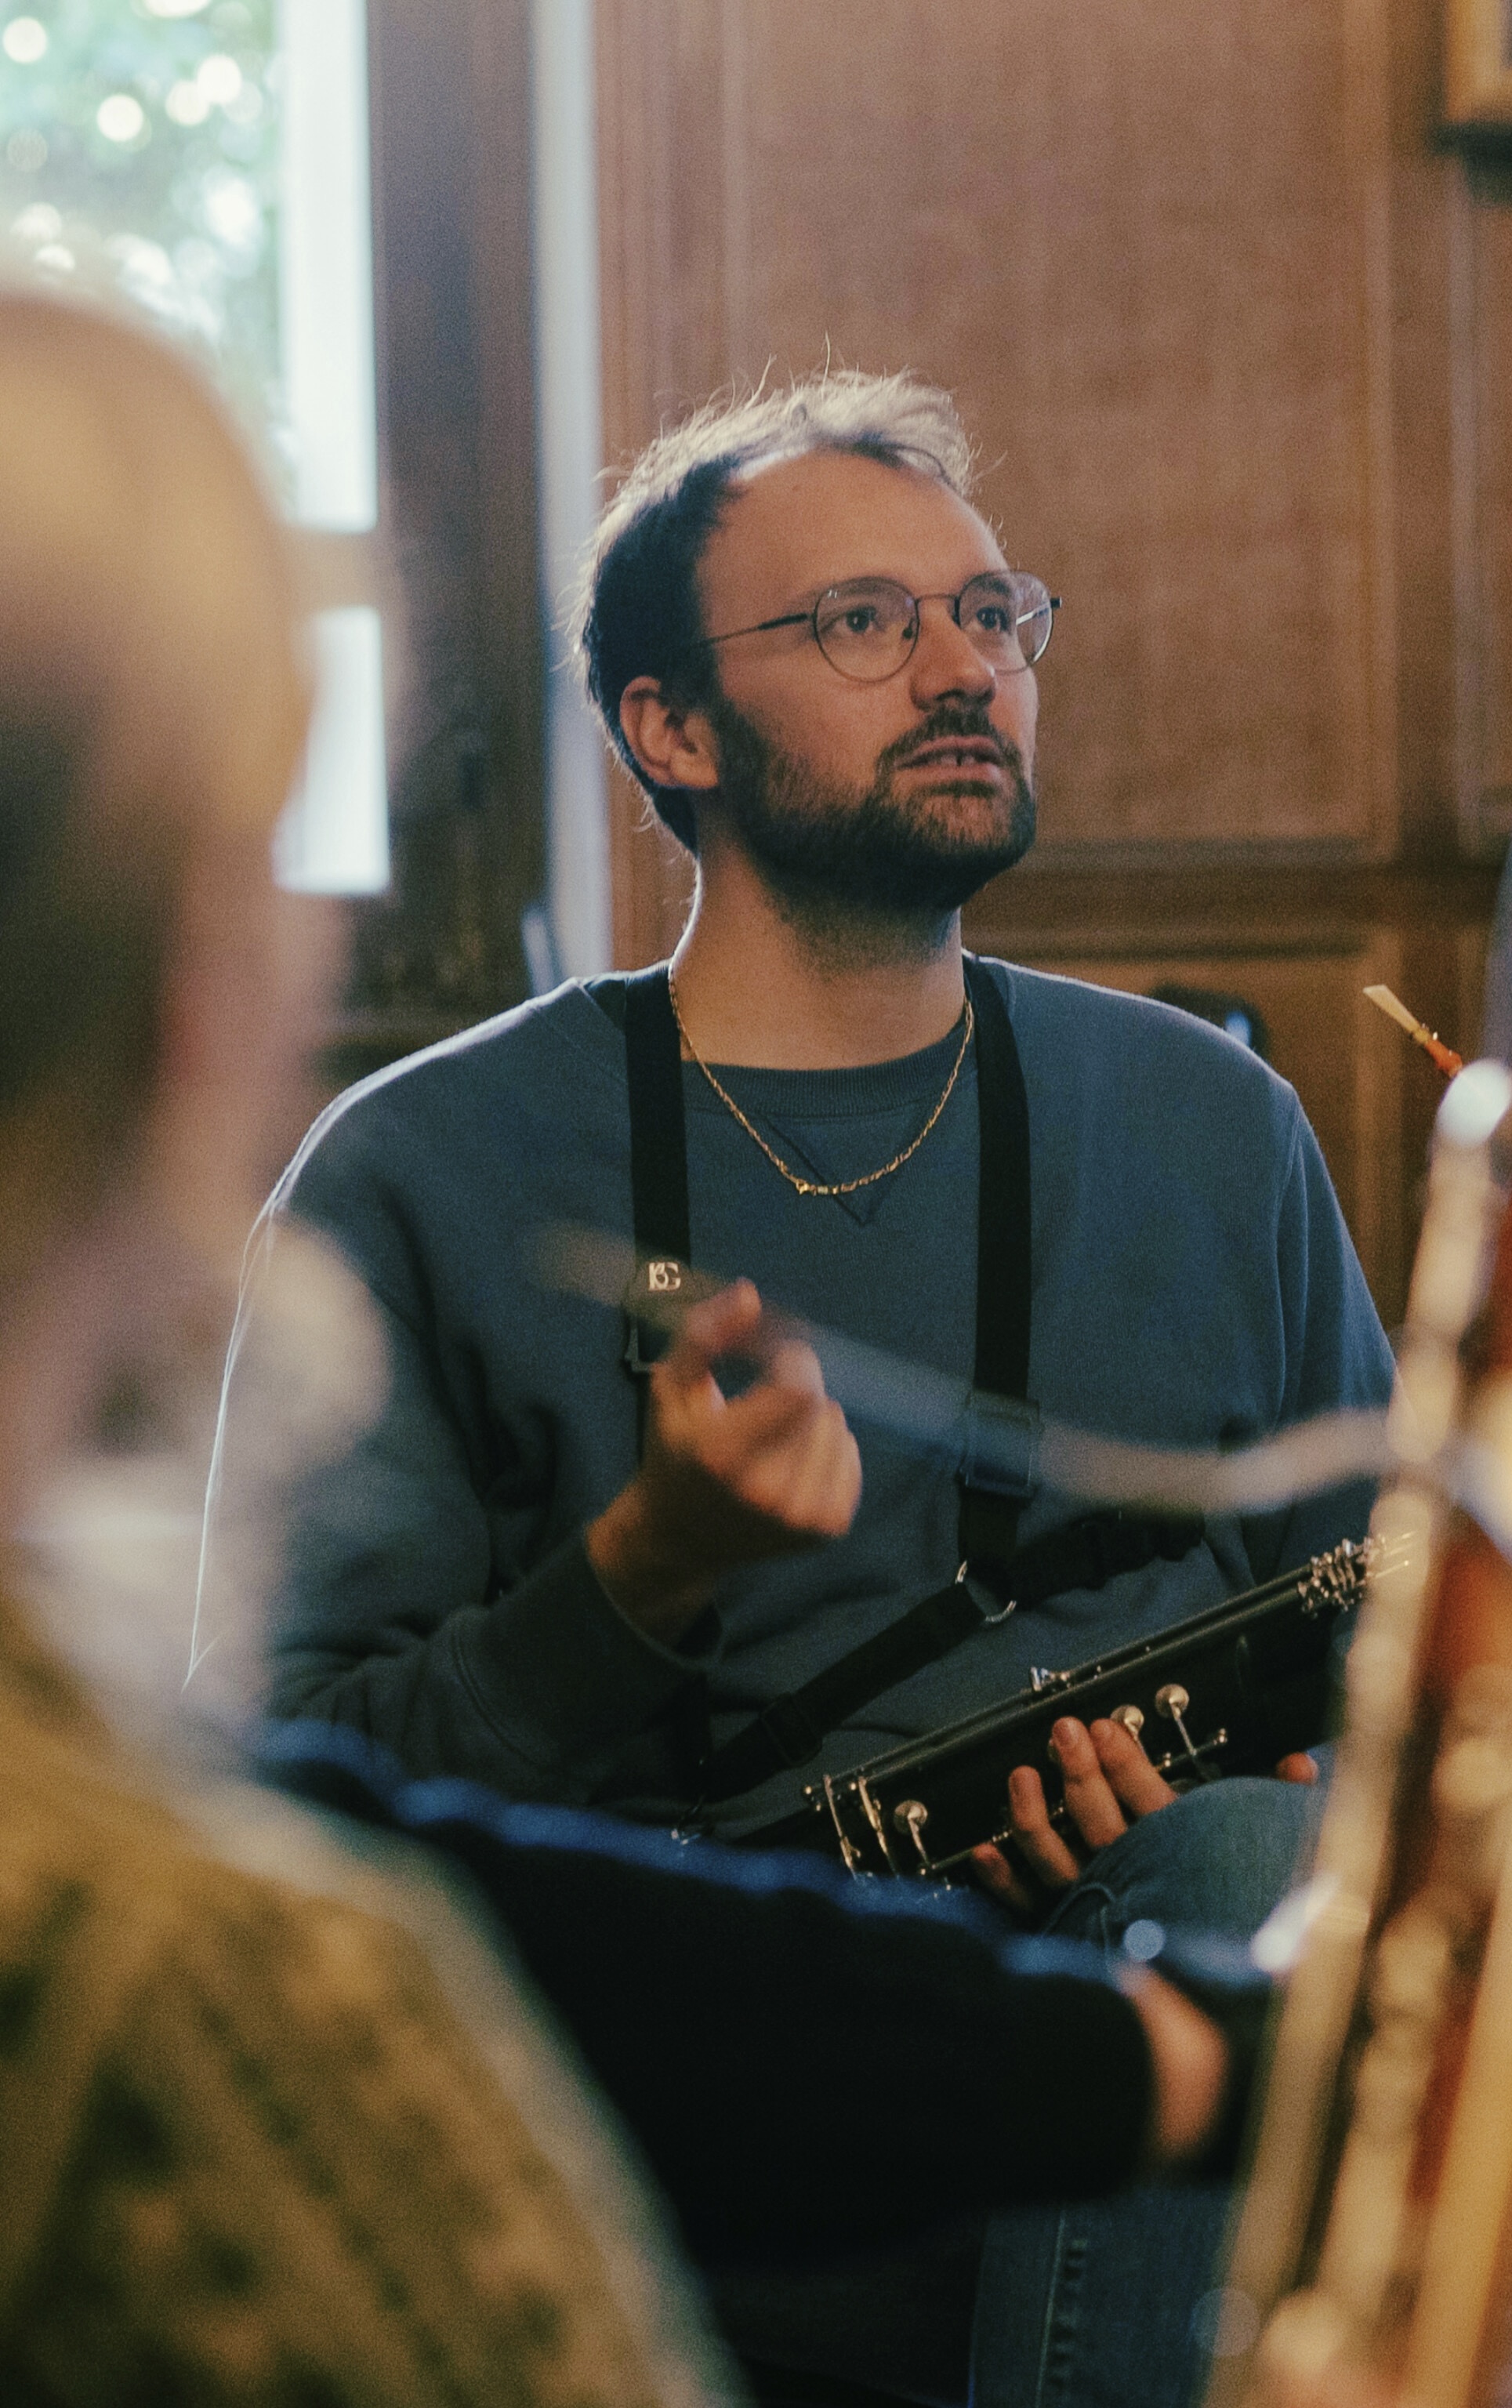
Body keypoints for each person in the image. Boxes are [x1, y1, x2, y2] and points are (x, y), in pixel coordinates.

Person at [0, 294, 1308, 2406]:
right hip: (695, 1994)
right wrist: (640, 1585)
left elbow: (1387, 1641)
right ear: (667, 729)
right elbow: (317, 1795)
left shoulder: (1210, 1120)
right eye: (871, 621)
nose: (969, 666)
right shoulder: (425, 1162)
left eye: (992, 610)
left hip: (1150, 1958)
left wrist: (1273, 1816)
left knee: (1262, 1853)